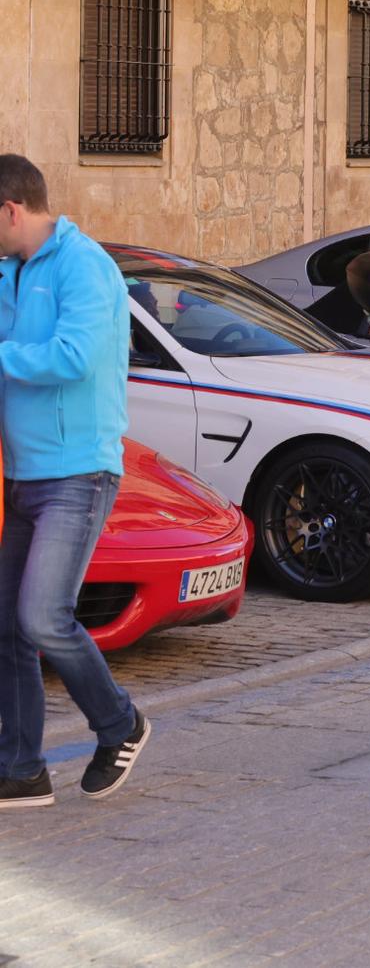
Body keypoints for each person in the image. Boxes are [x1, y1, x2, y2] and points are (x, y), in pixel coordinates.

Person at [0, 154, 151, 809]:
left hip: (78, 473)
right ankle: (22, 769)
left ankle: (120, 723)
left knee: (42, 616)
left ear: (9, 210)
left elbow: (73, 356)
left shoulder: (85, 267)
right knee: (6, 625)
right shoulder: (13, 270)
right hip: (22, 474)